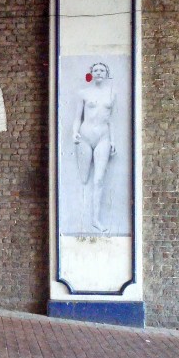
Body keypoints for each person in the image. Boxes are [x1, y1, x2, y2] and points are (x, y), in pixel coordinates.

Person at [72, 62, 116, 233]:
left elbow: (111, 119)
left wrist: (113, 141)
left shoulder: (112, 93)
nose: (99, 72)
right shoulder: (83, 93)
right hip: (85, 135)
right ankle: (78, 217)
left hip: (103, 137)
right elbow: (78, 117)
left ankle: (95, 219)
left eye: (102, 70)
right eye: (96, 70)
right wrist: (74, 132)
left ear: (106, 73)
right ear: (91, 73)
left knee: (98, 179)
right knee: (84, 178)